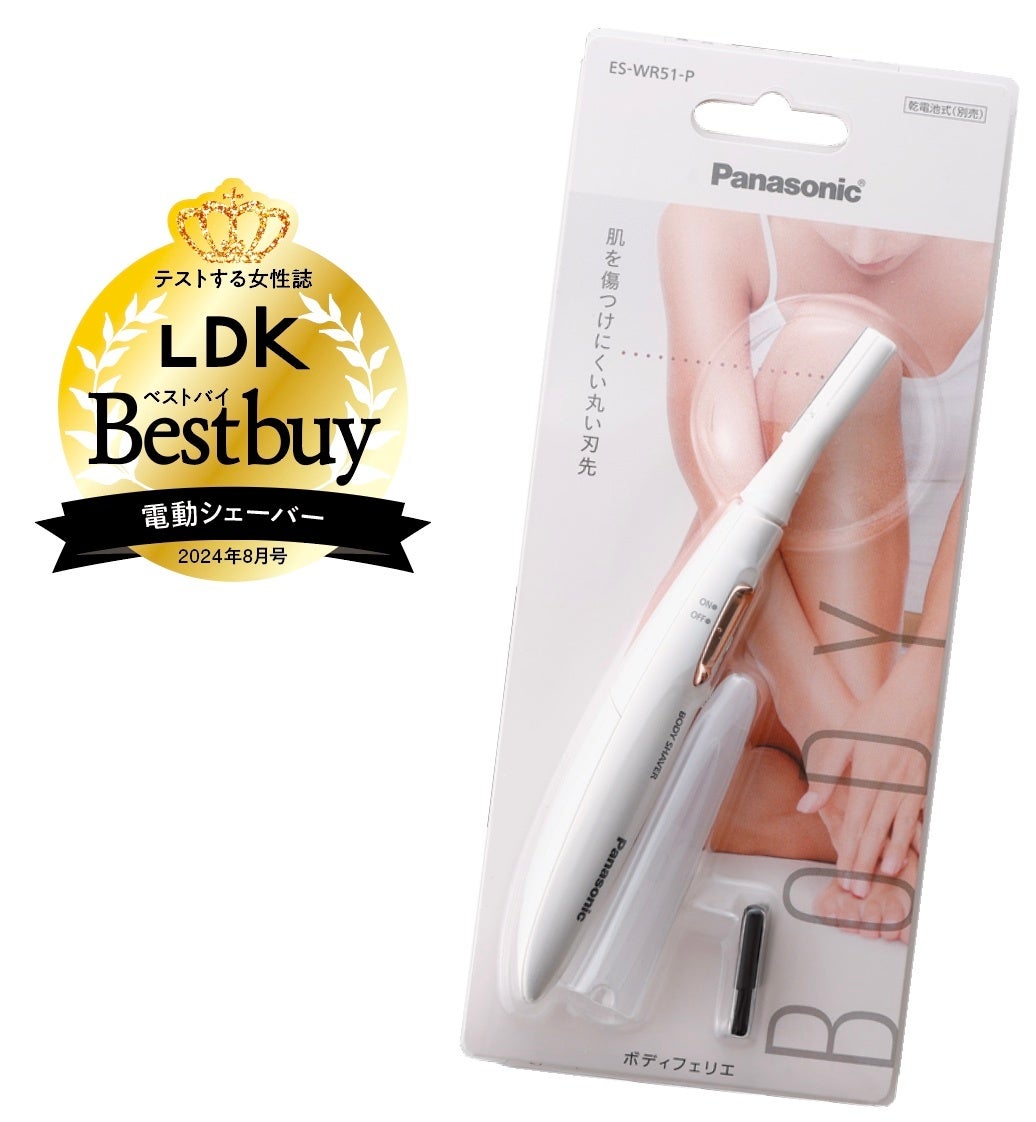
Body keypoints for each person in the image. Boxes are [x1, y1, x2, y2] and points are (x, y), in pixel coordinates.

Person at [656, 206, 991, 940]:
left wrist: (915, 697)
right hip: (754, 627)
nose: (868, 251)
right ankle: (886, 835)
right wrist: (835, 730)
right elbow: (728, 512)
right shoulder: (715, 219)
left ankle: (863, 838)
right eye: (847, 215)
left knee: (698, 809)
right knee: (831, 355)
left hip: (936, 660)